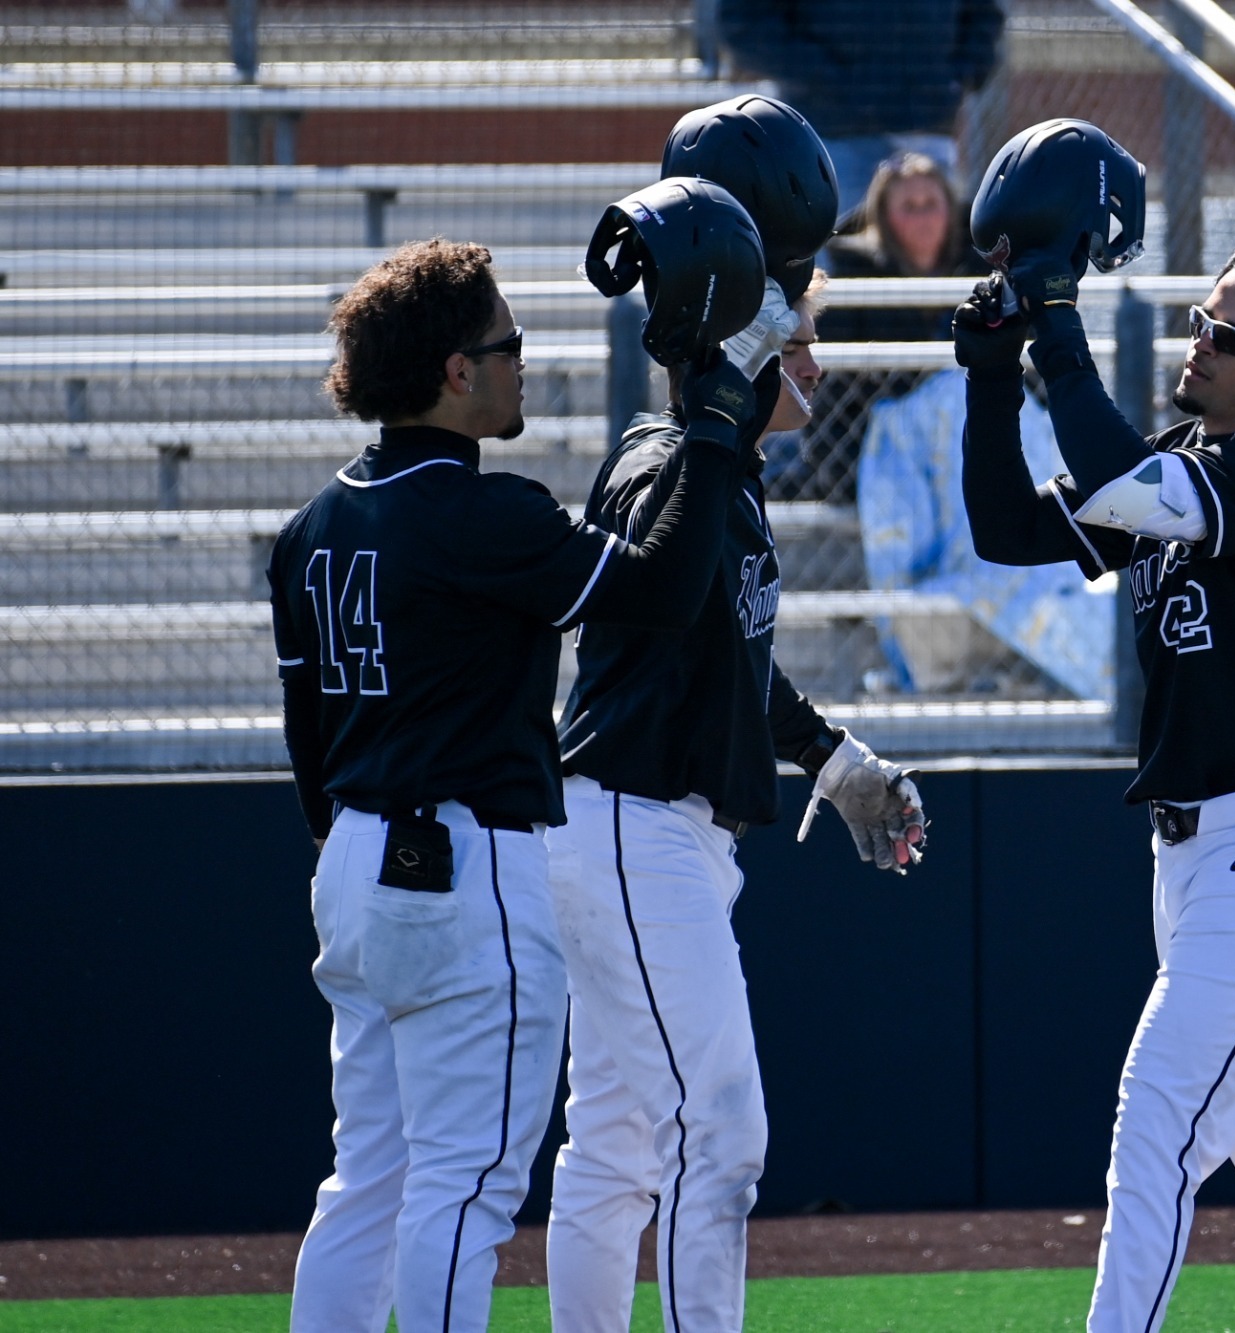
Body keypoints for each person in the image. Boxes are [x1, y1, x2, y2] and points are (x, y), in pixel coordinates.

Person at [271, 202, 770, 1333]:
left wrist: (352, 846)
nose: (520, 367)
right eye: (506, 349)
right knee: (466, 1187)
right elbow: (658, 589)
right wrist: (710, 422)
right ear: (454, 372)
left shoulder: (312, 525)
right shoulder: (481, 511)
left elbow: (306, 732)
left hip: (353, 861)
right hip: (466, 864)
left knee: (367, 1183)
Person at [953, 122, 1235, 1333]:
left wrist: (1051, 317)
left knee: (1156, 1111)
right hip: (1200, 853)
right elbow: (1007, 529)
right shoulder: (1186, 454)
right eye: (1200, 322)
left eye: (1228, 337)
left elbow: (1104, 473)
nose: (1197, 346)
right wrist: (992, 376)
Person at [542, 103, 928, 1333]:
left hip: (650, 829)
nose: (808, 357)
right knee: (724, 1130)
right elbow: (657, 598)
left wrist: (832, 755)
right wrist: (721, 384)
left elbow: (732, 662)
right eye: (791, 336)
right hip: (633, 823)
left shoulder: (717, 475)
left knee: (615, 1138)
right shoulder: (672, 459)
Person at [792, 152, 986, 503]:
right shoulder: (854, 278)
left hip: (970, 442)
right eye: (909, 207)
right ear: (883, 215)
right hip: (883, 449)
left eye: (931, 204)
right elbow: (832, 396)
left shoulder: (983, 274)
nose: (923, 217)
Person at [717, 0, 1004, 221]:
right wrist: (826, 78)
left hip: (928, 127)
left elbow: (984, 15)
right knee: (839, 275)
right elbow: (743, 22)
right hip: (833, 138)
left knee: (936, 273)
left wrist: (956, 78)